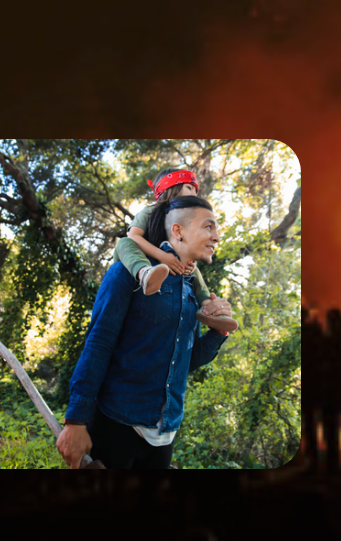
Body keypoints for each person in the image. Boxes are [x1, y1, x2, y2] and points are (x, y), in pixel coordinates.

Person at [57, 195, 234, 468]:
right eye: (208, 227)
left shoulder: (191, 292)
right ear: (178, 231)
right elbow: (98, 344)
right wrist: (76, 420)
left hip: (165, 435)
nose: (217, 237)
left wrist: (217, 333)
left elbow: (183, 362)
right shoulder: (126, 273)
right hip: (116, 424)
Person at [113, 168, 236, 334]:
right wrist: (162, 256)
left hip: (171, 263)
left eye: (195, 191)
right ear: (170, 187)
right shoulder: (150, 211)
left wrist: (190, 263)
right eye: (189, 188)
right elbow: (134, 236)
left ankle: (208, 308)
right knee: (124, 243)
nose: (194, 194)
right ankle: (145, 274)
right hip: (142, 257)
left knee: (196, 272)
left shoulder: (184, 219)